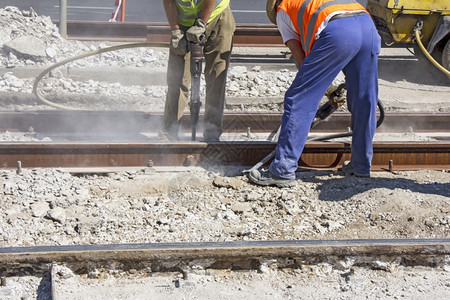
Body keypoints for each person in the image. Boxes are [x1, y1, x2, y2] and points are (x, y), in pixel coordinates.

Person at [249, 0, 381, 187]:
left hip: (339, 32)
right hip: (368, 28)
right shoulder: (313, 3)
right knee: (364, 100)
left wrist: (325, 89)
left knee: (299, 99)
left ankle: (282, 171)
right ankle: (361, 167)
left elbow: (301, 59)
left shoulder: (283, 10)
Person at [160, 0, 235, 141]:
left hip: (217, 14)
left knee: (216, 75)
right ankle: (169, 132)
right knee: (177, 78)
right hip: (183, 22)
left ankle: (211, 133)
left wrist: (201, 23)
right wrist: (176, 30)